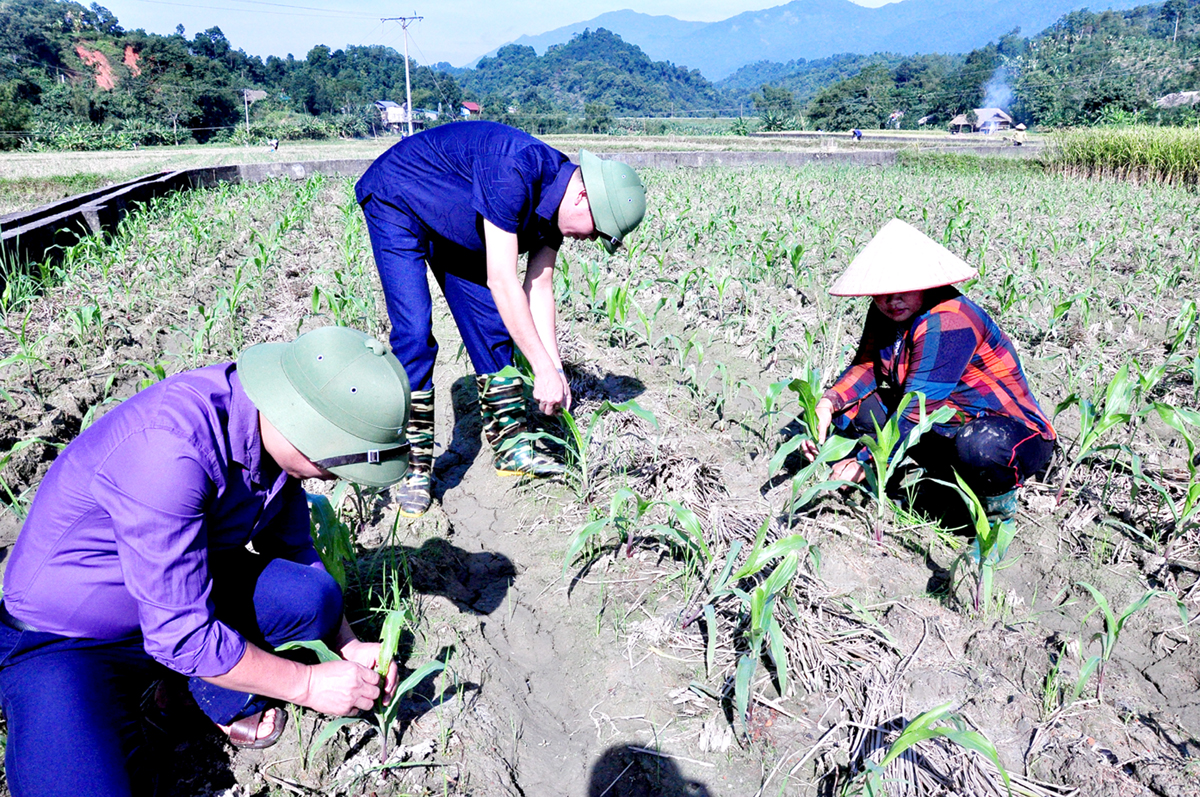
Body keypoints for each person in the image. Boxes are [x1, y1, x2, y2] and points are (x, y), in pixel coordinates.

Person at [0, 326, 412, 797]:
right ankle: (141, 699)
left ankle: (180, 692)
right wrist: (308, 684)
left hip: (183, 598)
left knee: (314, 598)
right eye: (336, 466)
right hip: (68, 641)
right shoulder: (169, 451)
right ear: (305, 429)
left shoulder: (272, 428)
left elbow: (293, 546)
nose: (337, 478)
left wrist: (347, 643)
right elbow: (182, 635)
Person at [355, 120, 647, 517]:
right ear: (582, 197)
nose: (590, 241)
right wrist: (539, 368)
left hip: (454, 217)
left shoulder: (554, 204)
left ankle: (511, 447)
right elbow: (503, 280)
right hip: (399, 198)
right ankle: (414, 467)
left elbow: (539, 288)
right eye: (596, 232)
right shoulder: (515, 170)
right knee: (414, 332)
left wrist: (554, 366)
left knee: (491, 329)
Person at [801, 219, 1055, 530]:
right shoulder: (885, 311)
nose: (891, 301)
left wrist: (865, 461)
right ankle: (910, 475)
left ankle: (996, 521)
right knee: (859, 409)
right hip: (945, 426)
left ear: (925, 282)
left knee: (979, 446)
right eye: (881, 292)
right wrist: (828, 403)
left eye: (902, 290)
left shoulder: (949, 320)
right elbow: (867, 365)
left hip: (1008, 433)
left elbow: (919, 407)